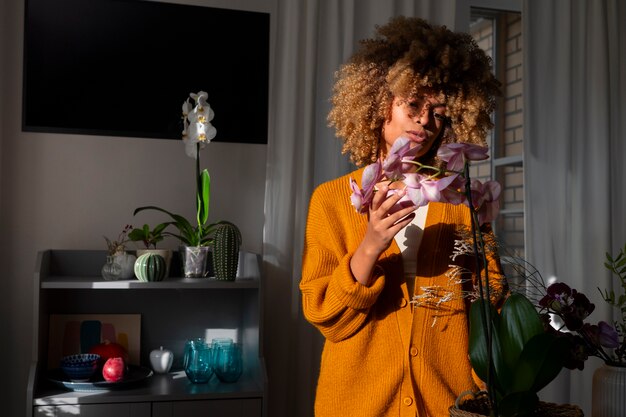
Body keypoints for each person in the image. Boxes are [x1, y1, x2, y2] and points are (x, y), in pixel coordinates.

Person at [300, 16, 505, 417]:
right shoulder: (331, 200)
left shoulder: (461, 197)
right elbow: (326, 317)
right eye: (413, 104)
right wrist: (372, 243)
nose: (426, 121)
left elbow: (491, 300)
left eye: (440, 113)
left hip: (450, 402)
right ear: (379, 101)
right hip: (358, 403)